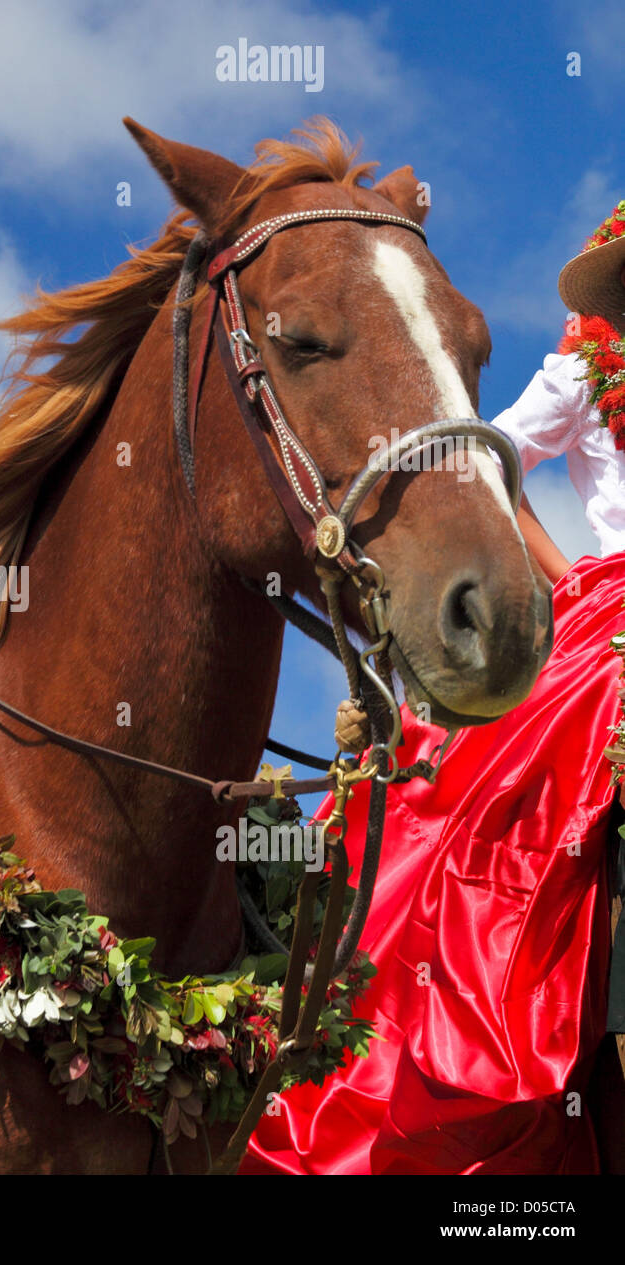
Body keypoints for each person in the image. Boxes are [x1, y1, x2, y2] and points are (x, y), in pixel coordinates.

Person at [242, 197, 625, 1175]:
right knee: (474, 787)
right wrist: (568, 574)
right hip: (614, 604)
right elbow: (488, 465)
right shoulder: (586, 363)